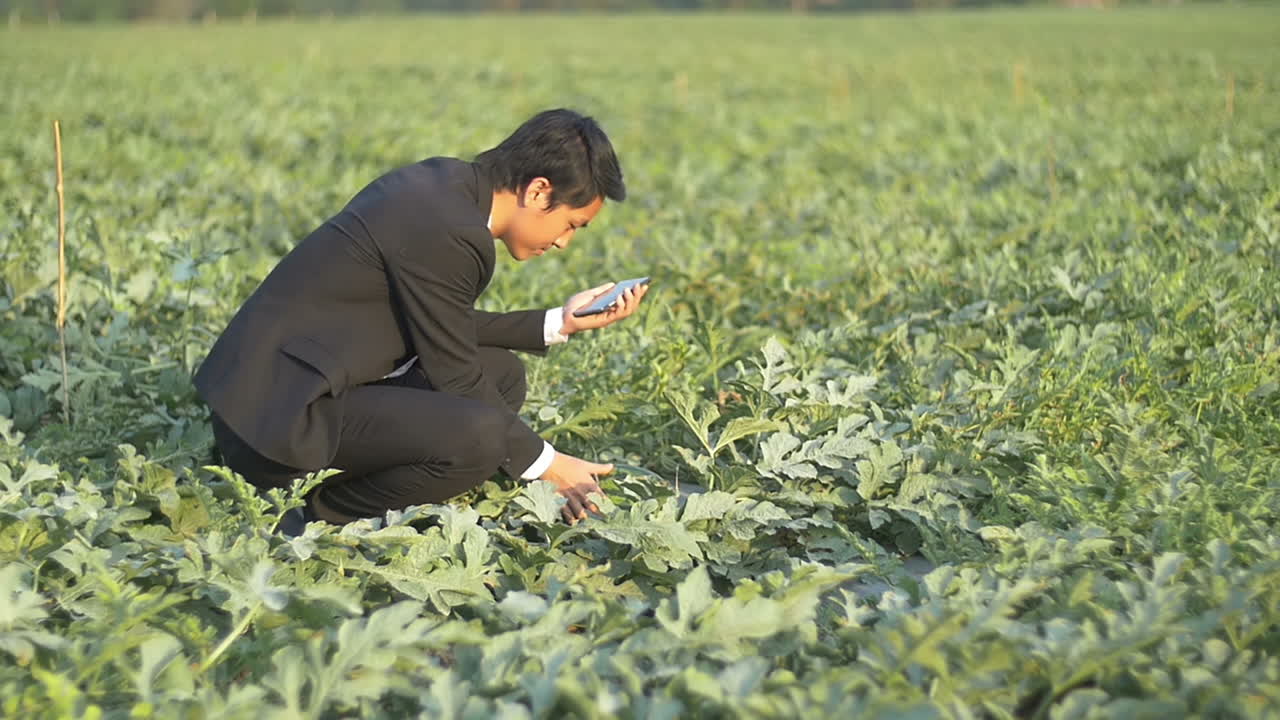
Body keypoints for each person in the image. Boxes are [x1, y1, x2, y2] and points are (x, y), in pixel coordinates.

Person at [194, 109, 648, 536]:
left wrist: (559, 323)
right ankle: (308, 518)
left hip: (281, 393)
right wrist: (547, 463)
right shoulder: (452, 231)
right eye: (571, 224)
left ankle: (349, 493)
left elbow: (440, 324)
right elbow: (455, 372)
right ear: (537, 191)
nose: (564, 242)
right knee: (482, 435)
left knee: (502, 375)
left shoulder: (444, 186)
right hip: (276, 423)